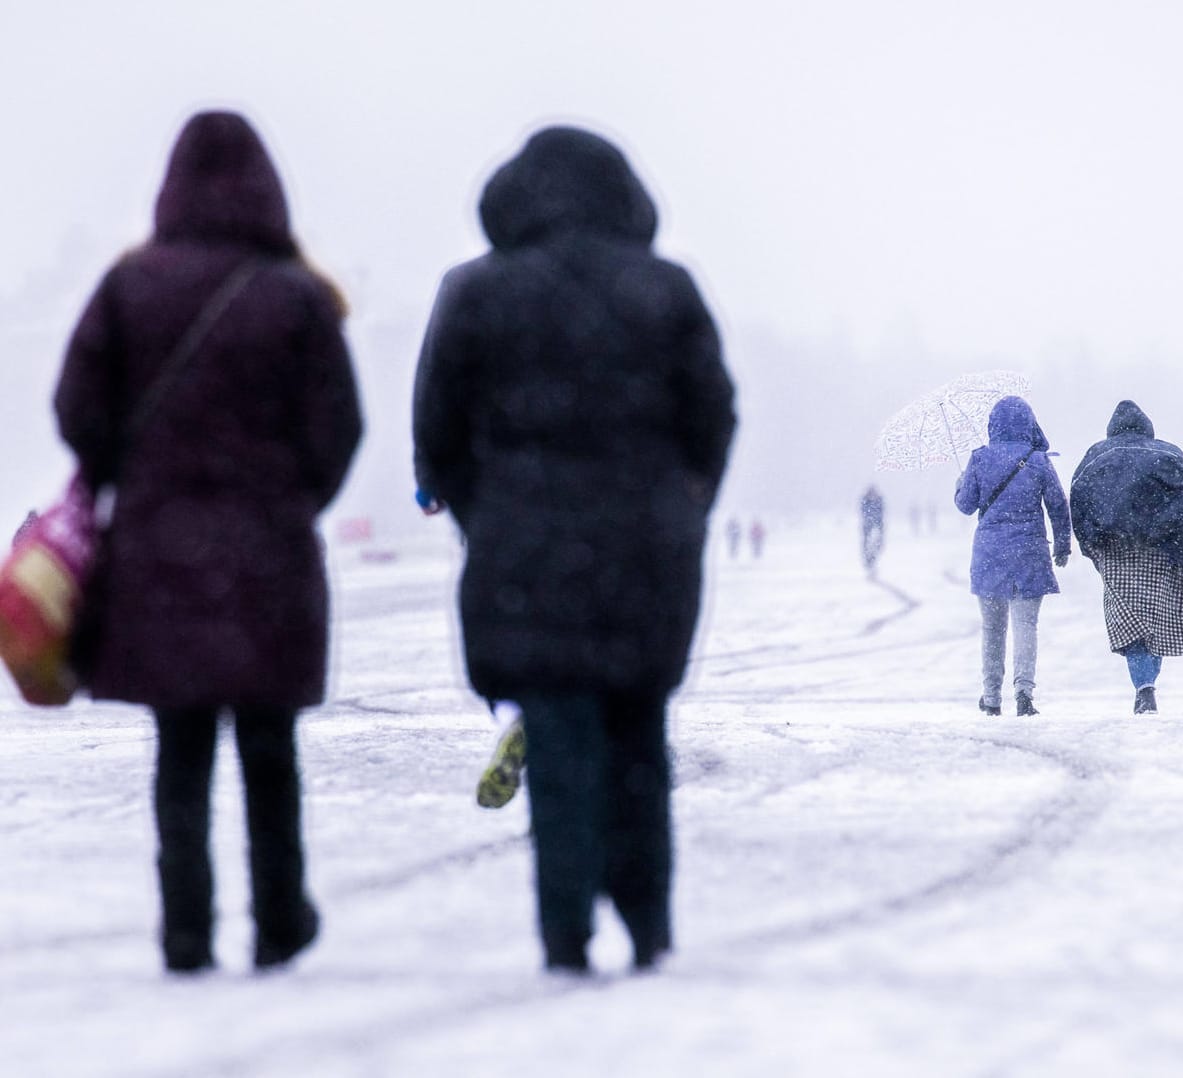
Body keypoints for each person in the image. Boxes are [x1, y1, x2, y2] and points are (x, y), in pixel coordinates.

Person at [412, 125, 735, 975]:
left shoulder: (477, 294)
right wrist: (682, 505)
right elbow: (712, 419)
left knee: (556, 746)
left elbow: (437, 433)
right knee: (637, 738)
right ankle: (649, 923)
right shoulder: (664, 291)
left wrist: (489, 517)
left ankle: (564, 935)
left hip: (524, 557)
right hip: (644, 556)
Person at [53, 112, 362, 973]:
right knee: (270, 752)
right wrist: (292, 497)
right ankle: (277, 920)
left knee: (179, 751)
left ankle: (185, 929)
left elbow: (77, 411)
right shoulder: (297, 296)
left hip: (158, 554)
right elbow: (338, 428)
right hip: (269, 554)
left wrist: (133, 477)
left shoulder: (128, 288)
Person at [1069, 401, 1183, 714]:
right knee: (1155, 618)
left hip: (1114, 548)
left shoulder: (1095, 456)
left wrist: (1089, 545)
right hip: (1160, 547)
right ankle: (1148, 684)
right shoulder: (1167, 453)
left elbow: (1078, 503)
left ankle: (1143, 686)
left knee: (1129, 619)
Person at [953, 396, 1070, 717]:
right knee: (1026, 625)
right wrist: (1062, 545)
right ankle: (1024, 692)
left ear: (993, 425)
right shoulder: (1038, 460)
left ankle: (991, 697)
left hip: (990, 553)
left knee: (992, 629)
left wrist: (960, 482)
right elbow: (1058, 506)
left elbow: (966, 506)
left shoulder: (979, 459)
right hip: (1029, 551)